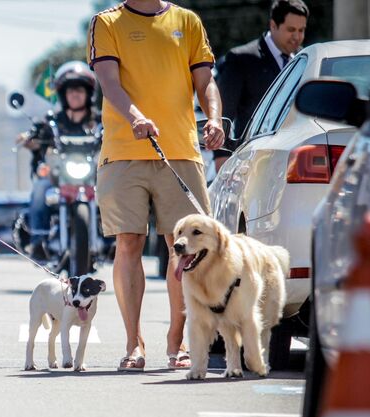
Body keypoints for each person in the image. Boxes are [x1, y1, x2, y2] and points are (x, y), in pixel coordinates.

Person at [87, 0, 225, 371]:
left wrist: (213, 118)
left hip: (179, 150)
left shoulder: (187, 21)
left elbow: (205, 81)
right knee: (128, 242)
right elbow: (109, 82)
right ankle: (134, 344)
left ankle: (176, 342)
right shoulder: (107, 22)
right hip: (123, 152)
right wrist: (136, 116)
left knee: (186, 249)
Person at [20, 61, 100, 261]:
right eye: (70, 90)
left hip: (93, 176)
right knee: (40, 187)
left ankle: (116, 237)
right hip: (58, 175)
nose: (75, 94)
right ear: (63, 94)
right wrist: (29, 139)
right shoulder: (52, 122)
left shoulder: (100, 122)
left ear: (88, 93)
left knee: (118, 189)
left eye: (79, 90)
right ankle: (38, 239)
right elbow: (28, 138)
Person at [214, 0, 308, 169]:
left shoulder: (304, 60)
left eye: (301, 30)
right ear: (273, 25)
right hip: (253, 160)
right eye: (291, 30)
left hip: (296, 160)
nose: (297, 36)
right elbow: (225, 112)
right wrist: (222, 160)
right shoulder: (241, 58)